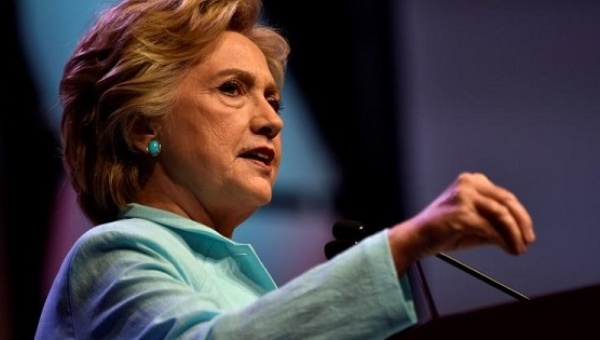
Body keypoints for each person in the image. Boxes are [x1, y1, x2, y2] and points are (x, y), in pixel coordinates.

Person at [35, 0, 536, 338]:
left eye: (272, 98)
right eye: (232, 89)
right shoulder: (110, 256)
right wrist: (405, 245)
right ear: (144, 127)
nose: (272, 120)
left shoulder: (246, 283)